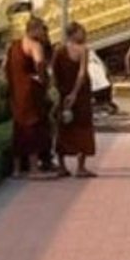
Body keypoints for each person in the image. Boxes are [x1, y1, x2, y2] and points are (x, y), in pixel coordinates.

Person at [6, 16, 58, 179]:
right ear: (35, 30)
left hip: (17, 90)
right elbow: (40, 64)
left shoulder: (14, 45)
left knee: (19, 127)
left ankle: (16, 169)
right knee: (34, 127)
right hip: (31, 91)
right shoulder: (35, 45)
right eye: (43, 30)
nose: (44, 34)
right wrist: (44, 81)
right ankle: (34, 168)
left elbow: (5, 67)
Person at [52, 21, 97, 177]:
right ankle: (80, 167)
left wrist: (62, 93)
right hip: (79, 93)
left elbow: (54, 74)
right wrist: (75, 93)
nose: (84, 35)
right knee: (82, 127)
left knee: (65, 127)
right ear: (73, 34)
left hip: (65, 93)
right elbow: (82, 73)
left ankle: (62, 165)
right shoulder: (83, 50)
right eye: (81, 32)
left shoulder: (59, 50)